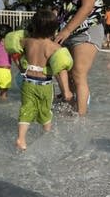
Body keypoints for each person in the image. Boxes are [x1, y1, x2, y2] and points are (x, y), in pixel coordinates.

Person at [12, 9, 73, 151]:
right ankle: (47, 136)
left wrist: (21, 66)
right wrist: (66, 91)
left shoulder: (26, 42)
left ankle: (21, 139)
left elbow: (15, 53)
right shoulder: (54, 47)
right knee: (45, 111)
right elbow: (61, 70)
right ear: (54, 29)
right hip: (44, 85)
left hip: (28, 82)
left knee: (26, 109)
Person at [53, 0, 104, 116]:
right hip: (65, 33)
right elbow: (59, 10)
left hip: (86, 30)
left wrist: (67, 30)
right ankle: (70, 107)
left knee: (78, 73)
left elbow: (87, 7)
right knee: (64, 73)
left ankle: (80, 118)